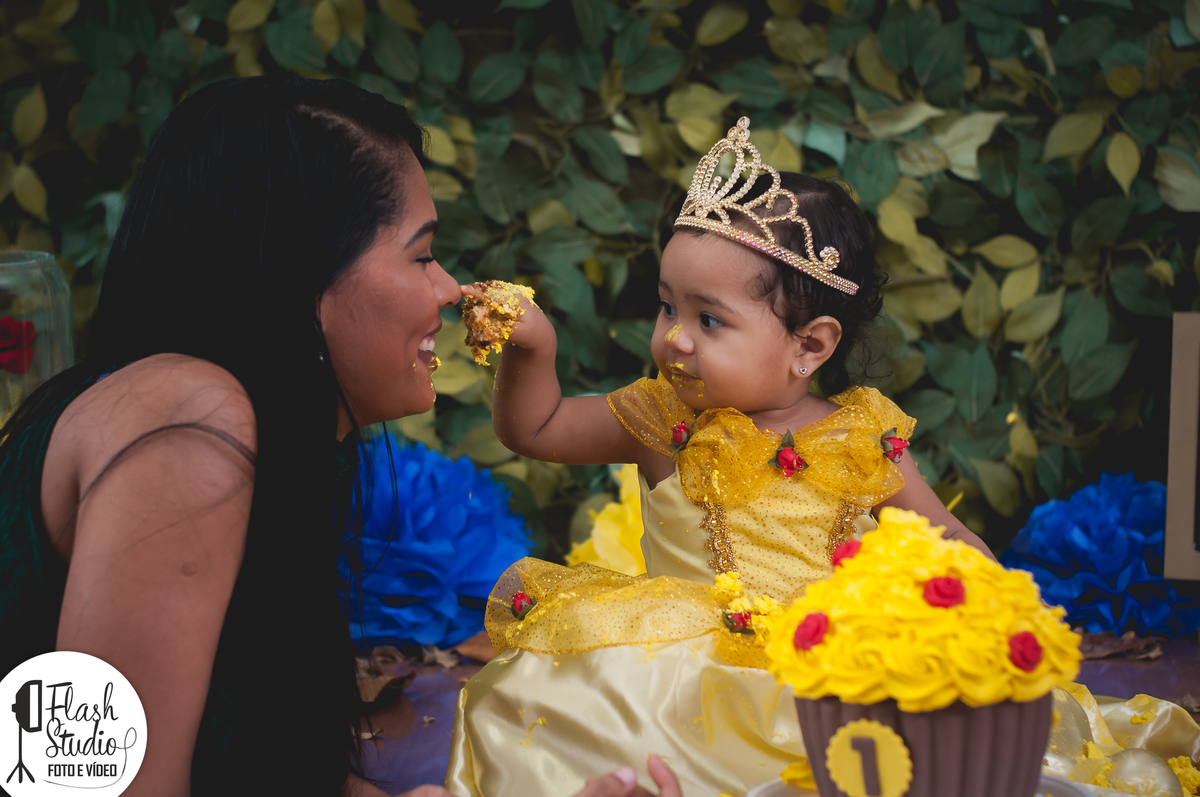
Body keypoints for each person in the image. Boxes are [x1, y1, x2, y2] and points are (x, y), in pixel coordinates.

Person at [0, 76, 680, 797]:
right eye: (421, 255)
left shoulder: (267, 445)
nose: (450, 290)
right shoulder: (185, 425)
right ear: (302, 276)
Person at [446, 118, 995, 796]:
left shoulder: (861, 437)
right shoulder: (661, 421)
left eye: (708, 319)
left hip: (827, 675)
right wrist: (536, 350)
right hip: (679, 688)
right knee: (545, 702)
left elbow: (947, 538)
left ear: (810, 346)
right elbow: (539, 426)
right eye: (667, 306)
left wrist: (996, 609)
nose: (674, 337)